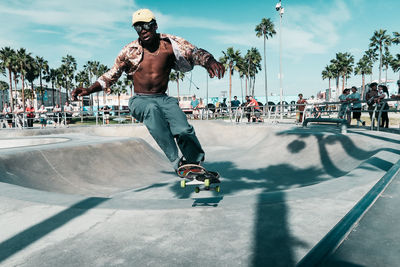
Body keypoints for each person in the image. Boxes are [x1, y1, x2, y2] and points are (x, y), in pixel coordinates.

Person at [71, 8, 224, 171]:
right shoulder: (129, 51)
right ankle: (176, 161)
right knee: (151, 110)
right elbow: (111, 75)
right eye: (138, 27)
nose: (143, 30)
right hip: (140, 100)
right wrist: (88, 90)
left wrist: (210, 61)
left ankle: (194, 163)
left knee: (183, 129)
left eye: (146, 25)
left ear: (155, 25)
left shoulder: (171, 45)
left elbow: (194, 52)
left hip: (163, 99)